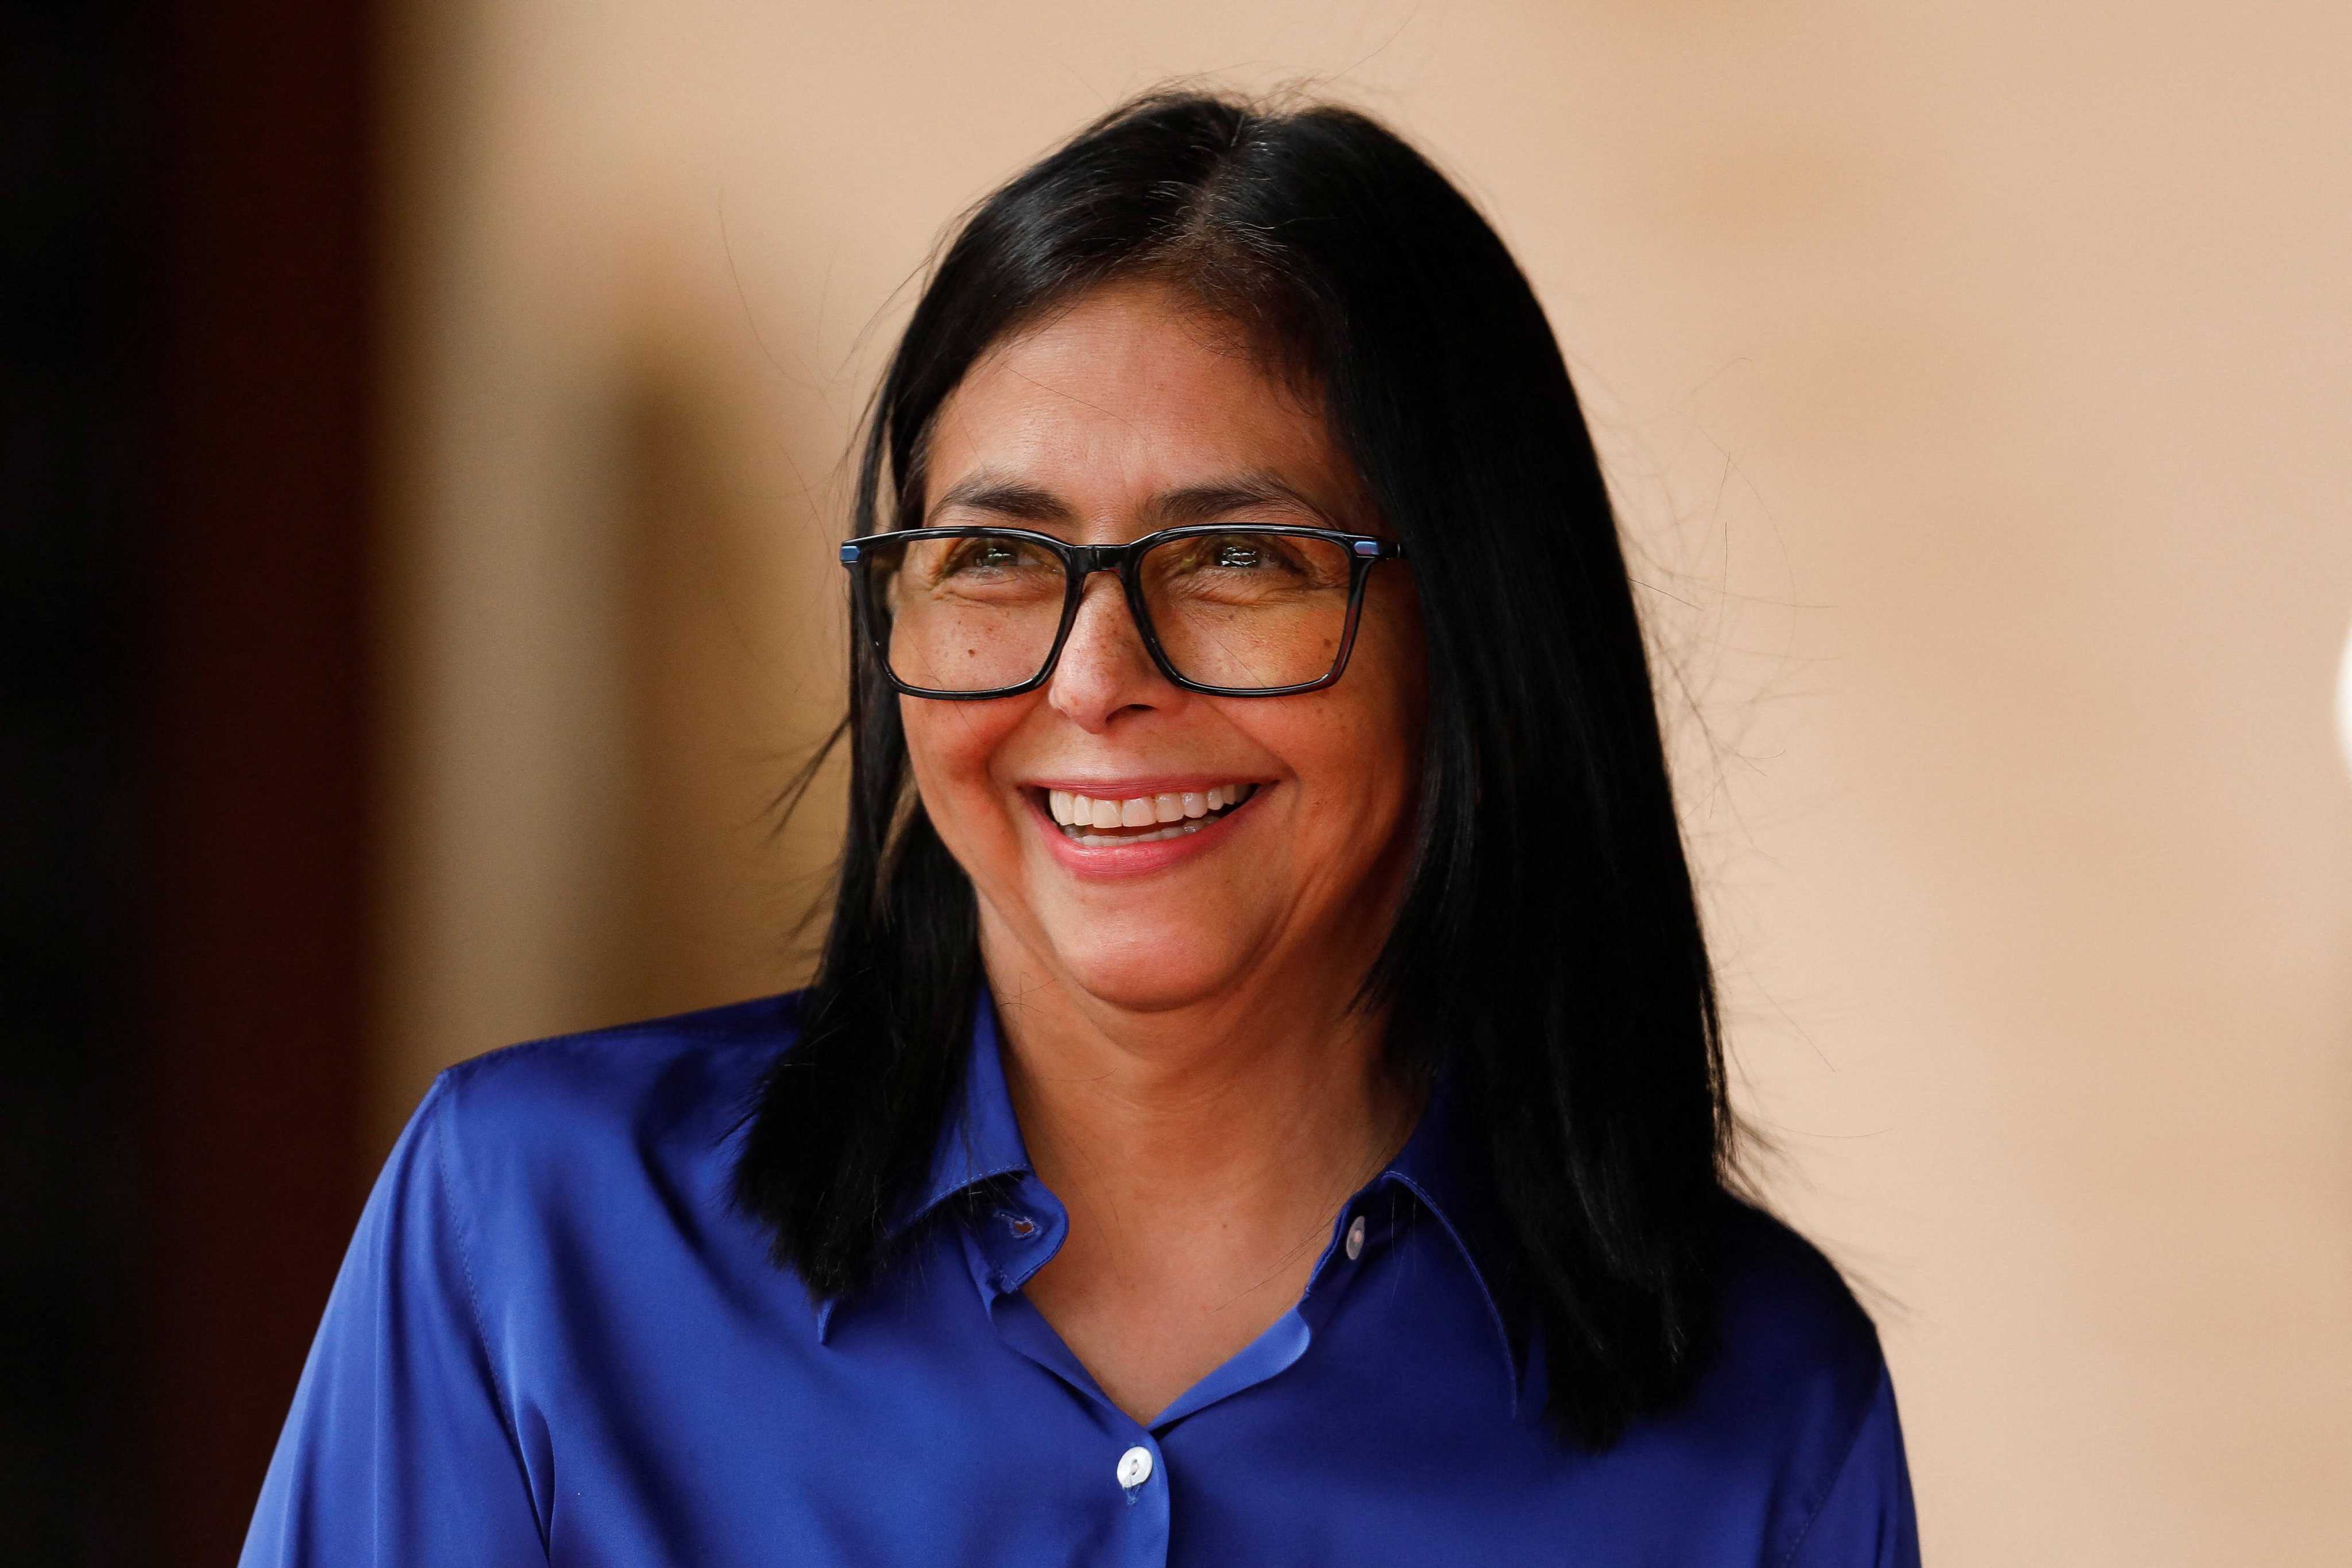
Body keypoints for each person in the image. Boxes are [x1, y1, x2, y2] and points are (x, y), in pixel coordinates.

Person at [242, 91, 1918, 1565]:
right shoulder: (527, 1243)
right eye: (993, 555)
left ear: (1479, 640)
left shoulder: (1766, 1408)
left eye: (1238, 557)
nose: (1095, 677)